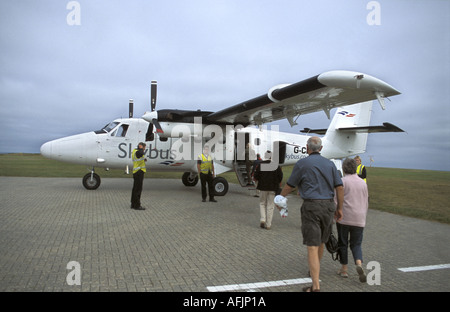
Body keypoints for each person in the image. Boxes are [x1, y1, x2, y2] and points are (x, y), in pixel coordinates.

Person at [276, 136, 344, 292]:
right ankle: (314, 274)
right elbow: (339, 187)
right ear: (320, 149)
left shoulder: (301, 164)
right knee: (321, 242)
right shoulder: (330, 164)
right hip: (328, 206)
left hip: (311, 206)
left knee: (312, 246)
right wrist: (339, 208)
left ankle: (315, 286)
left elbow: (290, 185)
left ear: (307, 148)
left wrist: (280, 197)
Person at [336, 158, 369, 283]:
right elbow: (366, 200)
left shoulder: (342, 182)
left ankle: (344, 269)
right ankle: (359, 263)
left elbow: (336, 199)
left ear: (344, 169)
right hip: (359, 218)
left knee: (343, 243)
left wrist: (335, 213)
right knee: (356, 244)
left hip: (344, 217)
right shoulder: (363, 183)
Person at [253, 151, 283, 230]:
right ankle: (268, 224)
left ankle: (263, 219)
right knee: (270, 206)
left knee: (262, 203)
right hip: (273, 188)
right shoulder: (276, 165)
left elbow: (256, 175)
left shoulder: (261, 165)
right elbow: (280, 176)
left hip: (263, 187)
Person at [131, 142, 147, 210]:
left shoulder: (134, 151)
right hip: (139, 172)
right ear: (141, 146)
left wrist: (144, 159)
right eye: (144, 148)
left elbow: (139, 157)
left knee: (135, 189)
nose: (144, 149)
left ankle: (133, 204)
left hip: (136, 172)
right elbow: (140, 154)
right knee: (138, 190)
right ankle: (137, 205)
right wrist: (141, 148)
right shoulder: (138, 152)